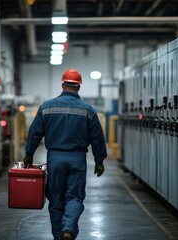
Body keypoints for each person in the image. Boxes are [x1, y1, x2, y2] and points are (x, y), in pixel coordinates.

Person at [23, 68, 107, 240]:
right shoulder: (88, 110)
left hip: (55, 158)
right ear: (79, 87)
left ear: (62, 84)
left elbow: (35, 133)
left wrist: (29, 154)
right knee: (75, 197)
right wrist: (99, 160)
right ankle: (68, 228)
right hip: (77, 159)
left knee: (55, 200)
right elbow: (97, 137)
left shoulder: (47, 107)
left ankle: (58, 236)